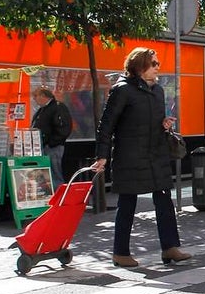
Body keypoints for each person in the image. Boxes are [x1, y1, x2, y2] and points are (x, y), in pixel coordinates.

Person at [90, 48, 191, 268]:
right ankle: (120, 252)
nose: (158, 67)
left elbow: (152, 122)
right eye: (154, 63)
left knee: (164, 200)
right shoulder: (122, 90)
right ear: (140, 65)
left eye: (158, 63)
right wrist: (102, 155)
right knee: (127, 203)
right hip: (130, 157)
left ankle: (170, 247)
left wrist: (164, 125)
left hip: (156, 154)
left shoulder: (158, 91)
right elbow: (106, 125)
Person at [31, 87, 73, 186]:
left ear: (43, 96)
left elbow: (64, 127)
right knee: (47, 173)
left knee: (55, 172)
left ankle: (58, 193)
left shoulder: (57, 107)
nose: (34, 99)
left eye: (35, 96)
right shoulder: (42, 109)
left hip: (53, 146)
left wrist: (52, 142)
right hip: (43, 145)